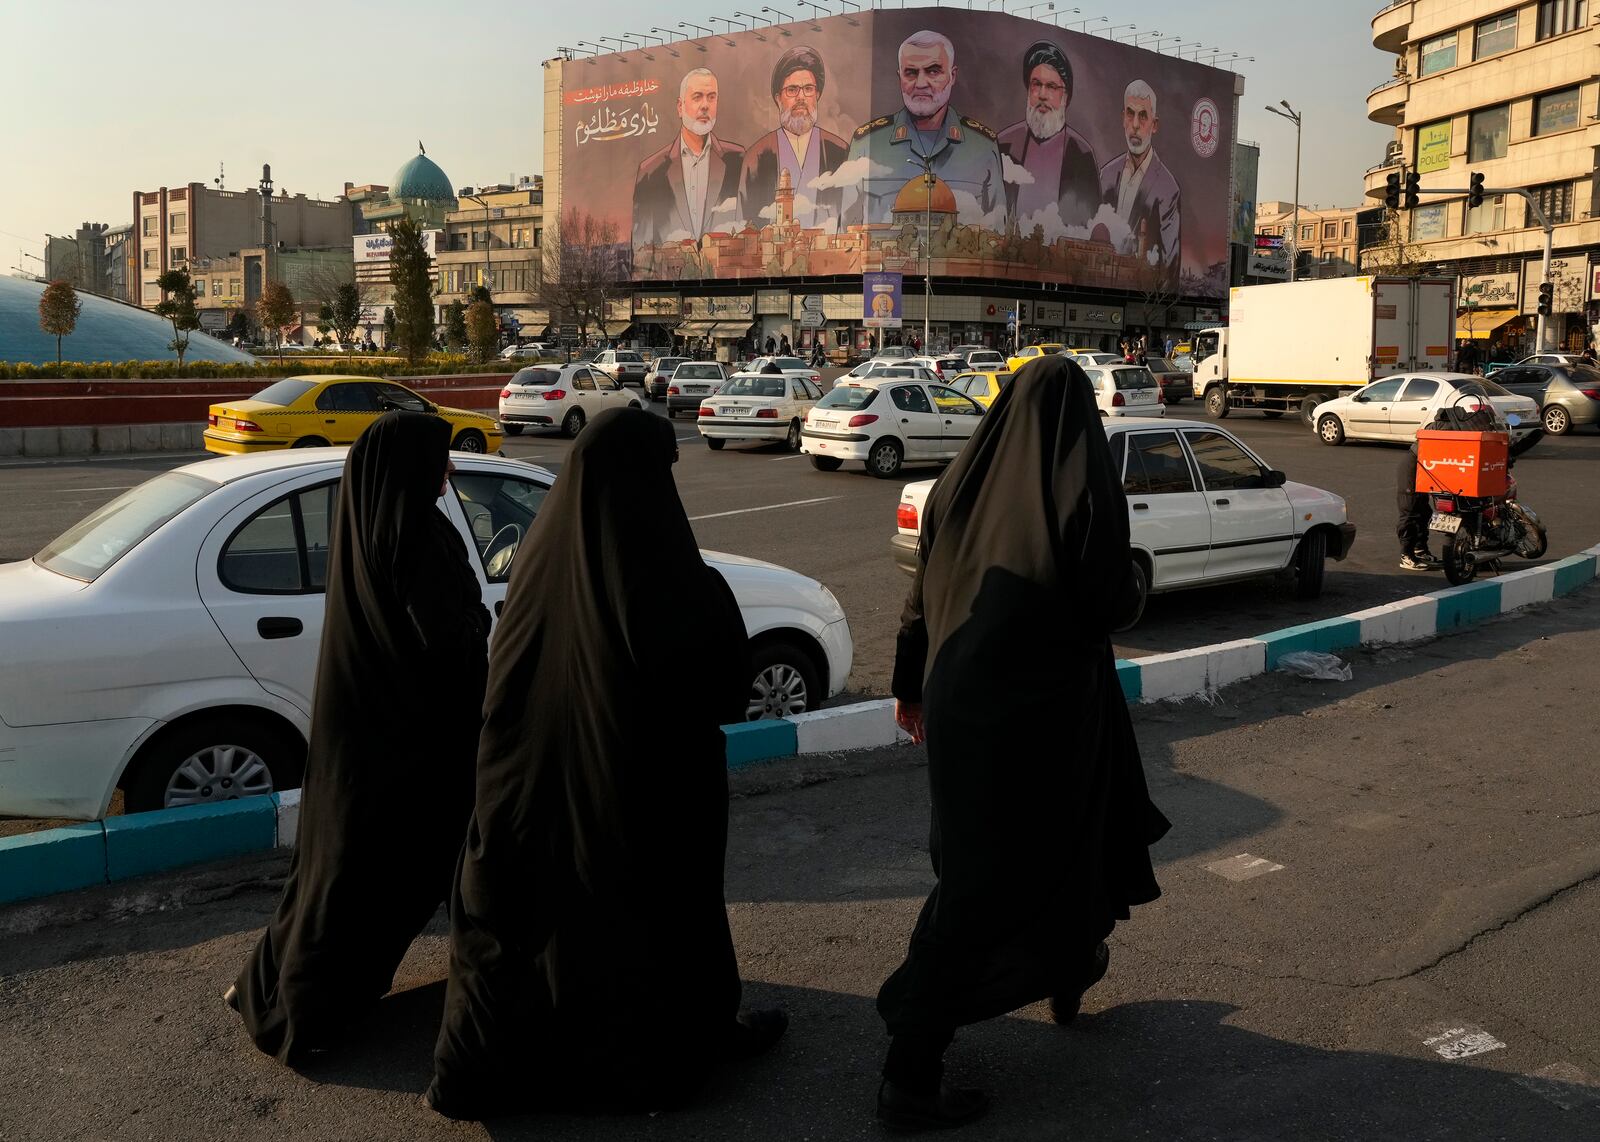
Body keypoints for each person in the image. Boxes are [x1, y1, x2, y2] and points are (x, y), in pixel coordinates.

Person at [426, 408, 785, 1120]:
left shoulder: (536, 560)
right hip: (638, 792)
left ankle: (511, 1061)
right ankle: (672, 1049)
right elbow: (721, 685)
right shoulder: (669, 573)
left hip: (523, 788)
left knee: (541, 925)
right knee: (657, 920)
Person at [879, 356, 1170, 1130]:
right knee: (1019, 871)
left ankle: (1068, 970)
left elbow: (920, 598)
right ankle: (912, 1063)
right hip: (1045, 719)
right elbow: (1111, 598)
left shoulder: (957, 484)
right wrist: (1136, 586)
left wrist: (909, 687)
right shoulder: (1078, 485)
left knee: (988, 864)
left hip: (957, 705)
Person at [228, 412, 491, 1064]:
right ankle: (302, 1012)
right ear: (411, 468)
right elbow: (446, 639)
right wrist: (480, 621)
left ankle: (266, 984)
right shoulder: (417, 536)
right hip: (416, 745)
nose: (451, 469)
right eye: (440, 459)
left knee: (333, 870)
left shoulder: (370, 524)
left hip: (365, 736)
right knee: (374, 884)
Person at [844, 29, 1006, 227]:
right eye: (911, 73)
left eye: (933, 71)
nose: (921, 83)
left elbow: (998, 236)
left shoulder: (983, 146)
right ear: (899, 77)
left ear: (952, 76)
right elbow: (847, 235)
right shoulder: (866, 144)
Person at [737, 45, 850, 228]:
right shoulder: (755, 157)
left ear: (817, 95)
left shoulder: (839, 151)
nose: (801, 97)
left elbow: (851, 219)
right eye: (792, 90)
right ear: (778, 98)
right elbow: (745, 225)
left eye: (808, 89)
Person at [632, 68, 744, 250]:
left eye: (711, 97)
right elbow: (641, 251)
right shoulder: (651, 171)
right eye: (697, 97)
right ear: (680, 107)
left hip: (728, 275)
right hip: (670, 275)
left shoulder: (737, 161)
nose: (705, 105)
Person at [998, 40, 1100, 231]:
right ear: (1028, 90)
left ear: (1066, 96)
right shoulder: (1003, 144)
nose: (1042, 95)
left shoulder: (1081, 155)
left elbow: (1089, 226)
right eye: (1036, 84)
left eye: (1052, 87)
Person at [1099, 80, 1182, 293]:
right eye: (1130, 113)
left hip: (1143, 301)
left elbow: (1170, 265)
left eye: (1143, 116)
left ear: (1154, 125)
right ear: (1122, 118)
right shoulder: (1107, 175)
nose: (1135, 124)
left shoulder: (1167, 188)